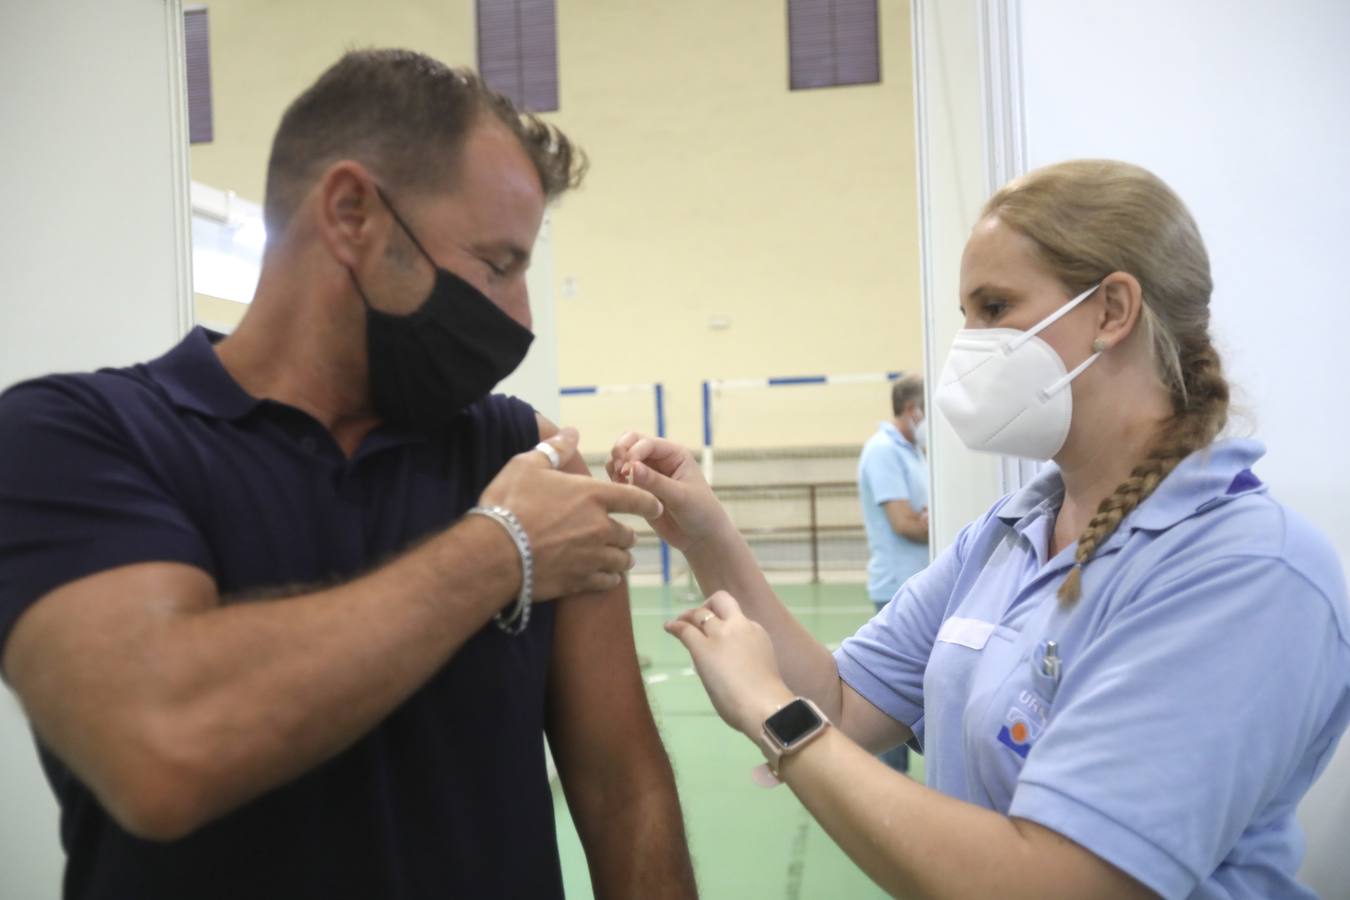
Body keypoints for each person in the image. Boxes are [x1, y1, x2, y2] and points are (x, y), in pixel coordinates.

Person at [0, 50, 696, 900]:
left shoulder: (523, 456)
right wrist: (498, 550)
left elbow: (623, 787)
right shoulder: (77, 438)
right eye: (497, 264)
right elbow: (164, 745)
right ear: (351, 212)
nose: (519, 317)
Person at [609, 159, 1350, 898]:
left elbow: (1058, 883)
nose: (968, 345)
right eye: (966, 315)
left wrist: (775, 716)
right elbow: (841, 702)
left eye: (994, 308)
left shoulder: (1247, 571)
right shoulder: (1011, 531)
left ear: (1112, 311)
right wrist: (707, 534)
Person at [856, 373, 929, 774]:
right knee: (893, 704)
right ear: (910, 409)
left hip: (919, 585)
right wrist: (938, 521)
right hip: (895, 589)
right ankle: (887, 788)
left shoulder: (915, 451)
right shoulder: (883, 452)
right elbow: (906, 523)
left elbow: (923, 517)